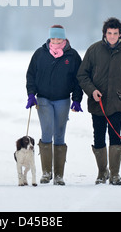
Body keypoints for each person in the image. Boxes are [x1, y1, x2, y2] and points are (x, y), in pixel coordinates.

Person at [77, 17, 121, 185]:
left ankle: (114, 174)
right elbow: (82, 75)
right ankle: (101, 172)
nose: (112, 36)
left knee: (115, 136)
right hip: (97, 102)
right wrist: (92, 91)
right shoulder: (93, 50)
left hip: (118, 101)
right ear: (104, 33)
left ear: (120, 34)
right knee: (98, 137)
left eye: (115, 33)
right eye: (109, 33)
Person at [26, 25, 83, 185]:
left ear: (64, 39)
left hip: (63, 100)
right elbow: (30, 74)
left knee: (59, 134)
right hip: (43, 99)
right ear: (50, 38)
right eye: (53, 38)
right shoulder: (40, 54)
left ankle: (58, 175)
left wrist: (77, 99)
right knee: (46, 131)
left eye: (59, 38)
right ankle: (46, 172)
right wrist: (31, 94)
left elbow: (79, 79)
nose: (56, 41)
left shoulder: (72, 56)